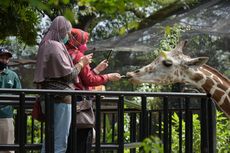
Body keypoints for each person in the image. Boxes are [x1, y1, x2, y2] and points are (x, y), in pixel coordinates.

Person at [33, 16, 93, 153]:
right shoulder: (55, 46)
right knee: (60, 143)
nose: (68, 36)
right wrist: (81, 63)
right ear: (61, 30)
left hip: (49, 98)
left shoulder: (45, 43)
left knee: (49, 141)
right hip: (60, 99)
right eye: (67, 32)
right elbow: (69, 75)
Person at [65, 28, 121, 153]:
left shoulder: (65, 52)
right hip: (79, 104)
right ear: (77, 40)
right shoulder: (78, 56)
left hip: (68, 101)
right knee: (81, 142)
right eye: (84, 40)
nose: (85, 44)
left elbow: (83, 77)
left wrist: (97, 70)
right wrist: (108, 77)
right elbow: (89, 81)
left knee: (68, 141)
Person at [0, 47, 21, 153]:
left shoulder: (13, 75)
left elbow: (19, 95)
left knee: (7, 149)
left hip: (6, 117)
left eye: (6, 58)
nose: (4, 60)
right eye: (1, 57)